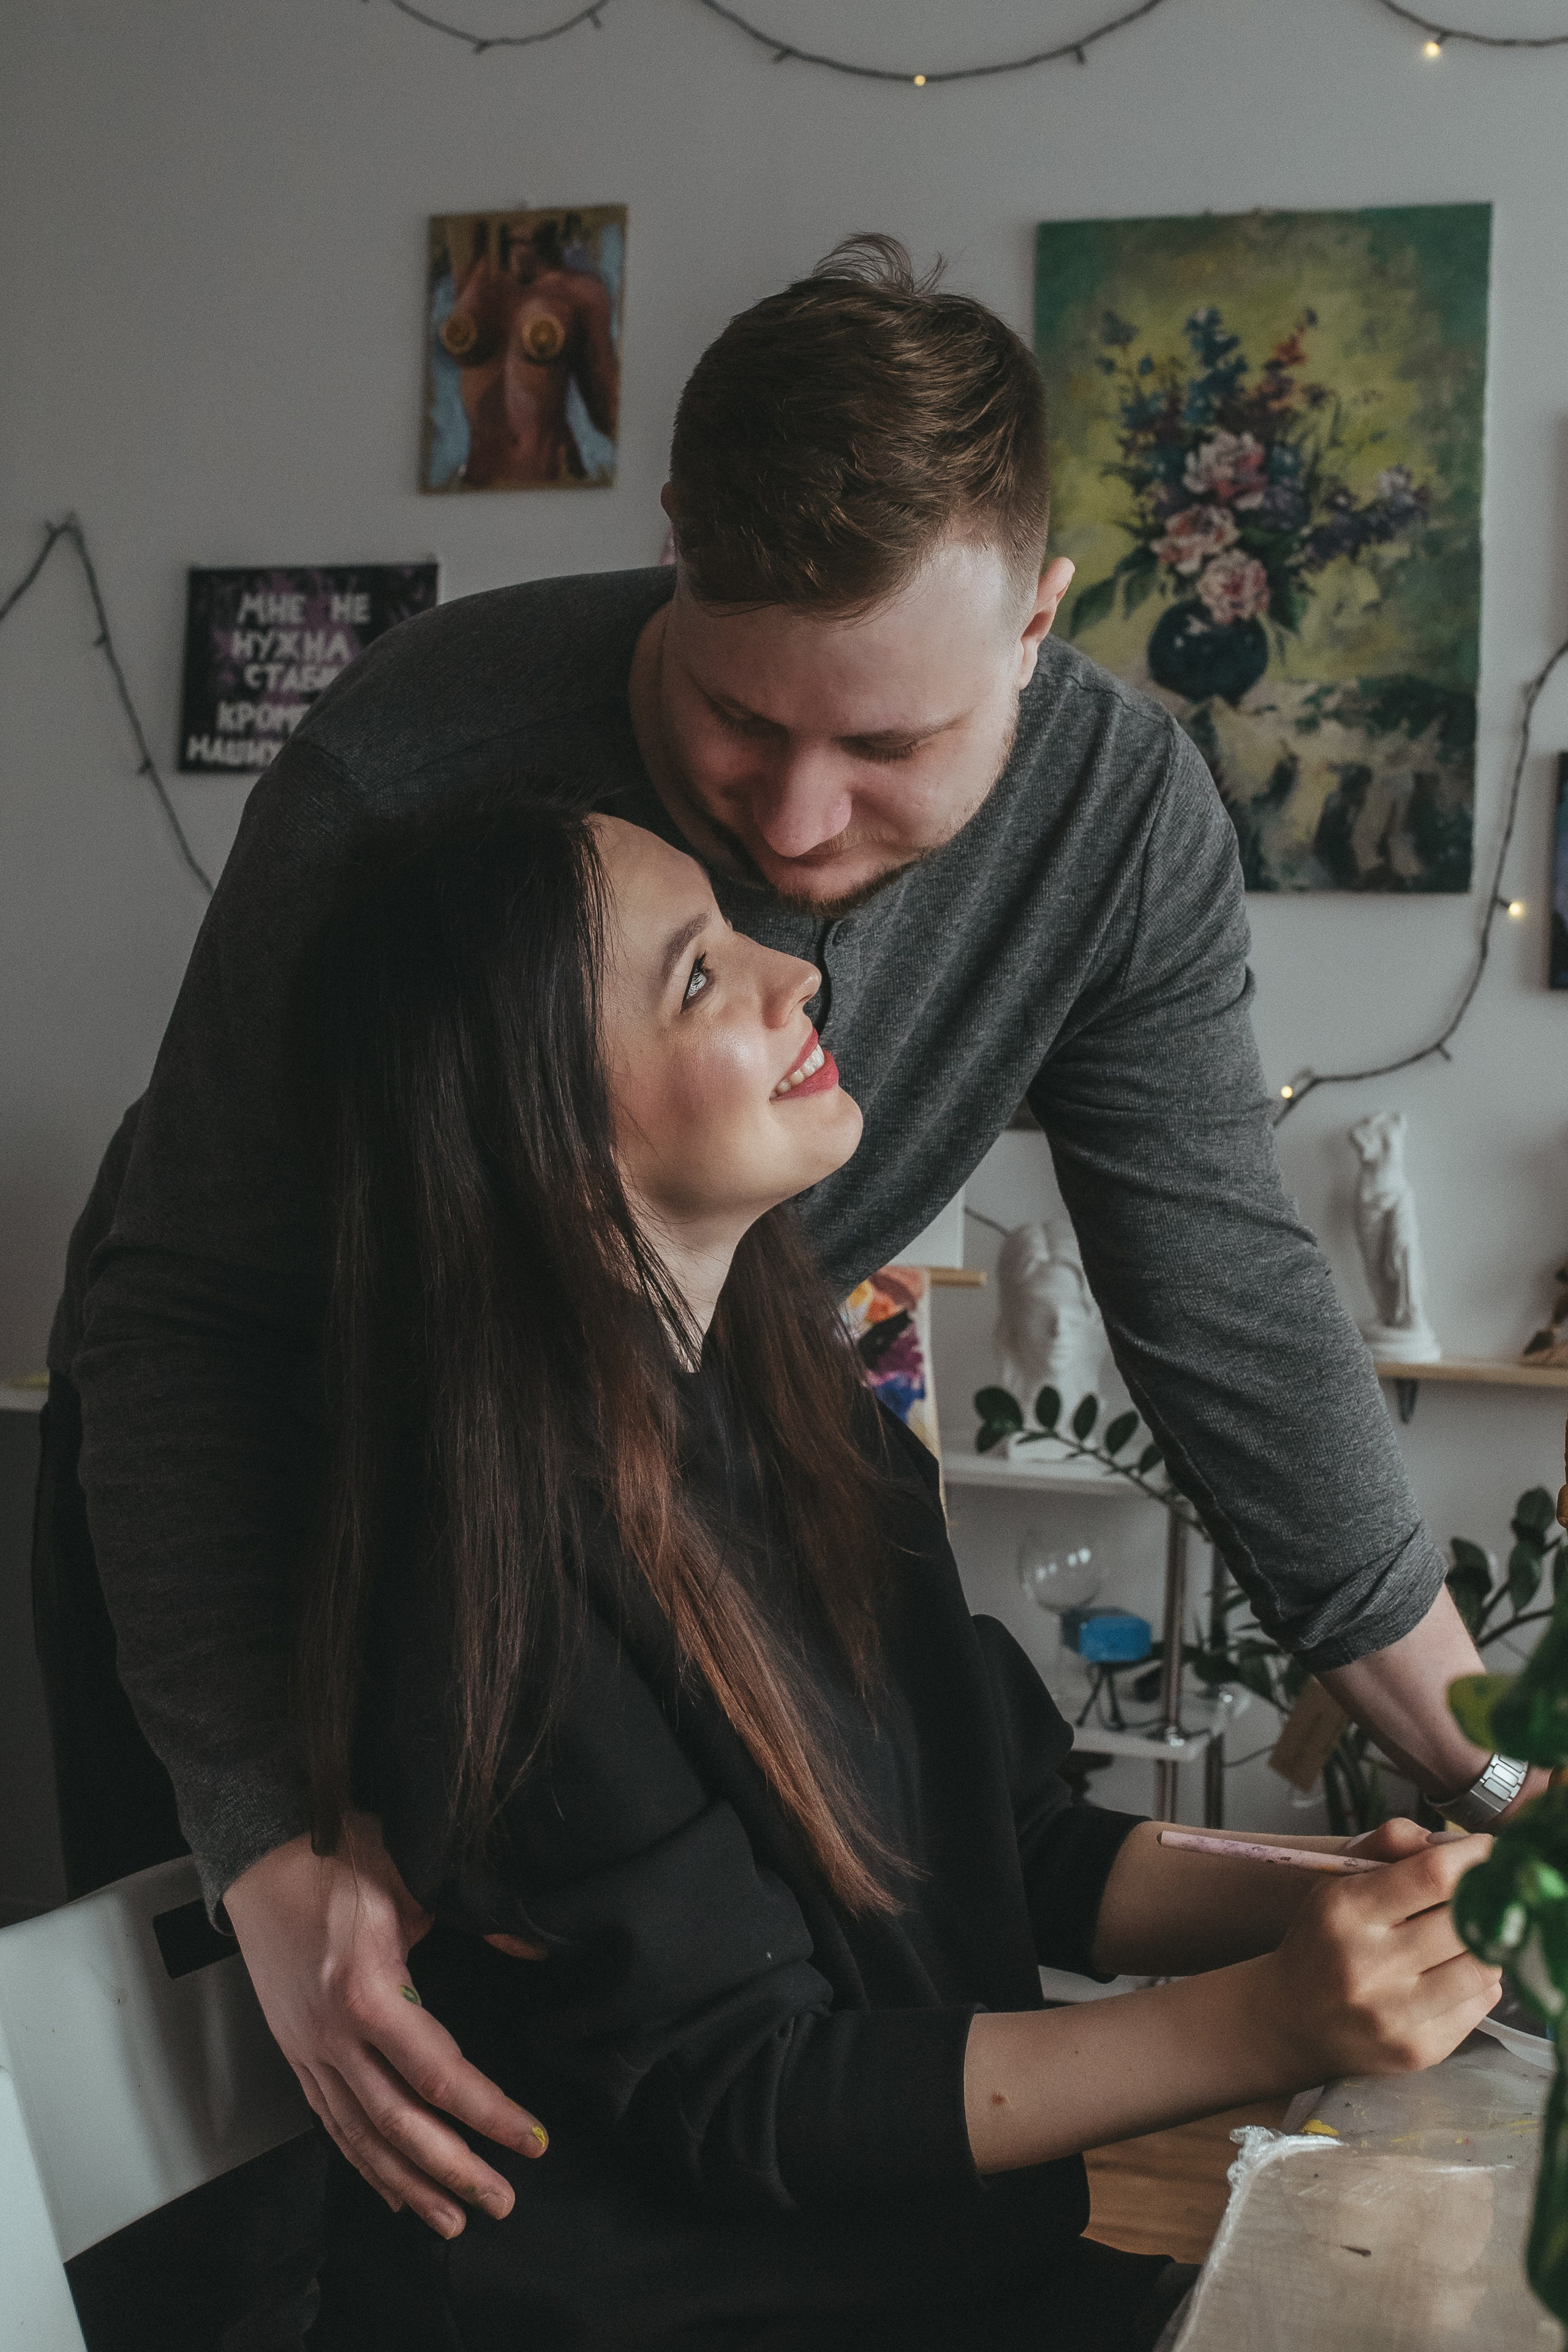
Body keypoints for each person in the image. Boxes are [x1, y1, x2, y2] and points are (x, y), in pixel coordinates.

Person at [37, 235, 1536, 2262]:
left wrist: (1490, 1782)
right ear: (675, 544)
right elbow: (186, 1318)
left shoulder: (1114, 834)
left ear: (1039, 620)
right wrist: (267, 1833)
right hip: (326, 1522)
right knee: (316, 2196)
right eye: (739, 725)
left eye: (891, 749)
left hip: (712, 1438)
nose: (802, 838)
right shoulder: (415, 758)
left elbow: (1223, 1292)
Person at [295, 792, 1501, 2350]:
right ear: (543, 1136)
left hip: (954, 2287)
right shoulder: (493, 1566)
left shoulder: (803, 1414)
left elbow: (1023, 1849)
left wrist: (1387, 1901)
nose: (795, 974)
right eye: (696, 975)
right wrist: (1269, 2022)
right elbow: (746, 2094)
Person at [439, 213, 619, 487]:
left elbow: (609, 414)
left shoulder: (580, 293)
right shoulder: (472, 279)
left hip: (547, 479)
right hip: (474, 482)